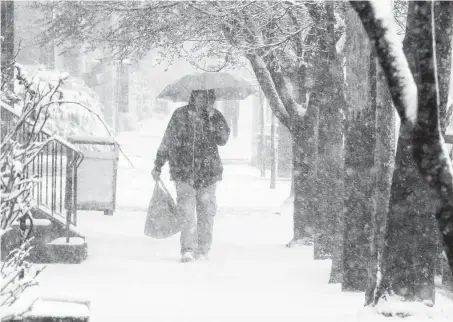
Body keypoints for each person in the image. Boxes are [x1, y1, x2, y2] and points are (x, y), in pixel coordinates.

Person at [151, 89, 230, 263]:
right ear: (193, 96)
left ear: (212, 99)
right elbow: (168, 140)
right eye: (200, 96)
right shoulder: (180, 115)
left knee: (206, 214)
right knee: (186, 213)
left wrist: (213, 120)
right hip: (183, 172)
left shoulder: (215, 116)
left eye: (207, 97)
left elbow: (223, 139)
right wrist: (158, 164)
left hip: (208, 174)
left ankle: (203, 249)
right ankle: (188, 249)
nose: (203, 100)